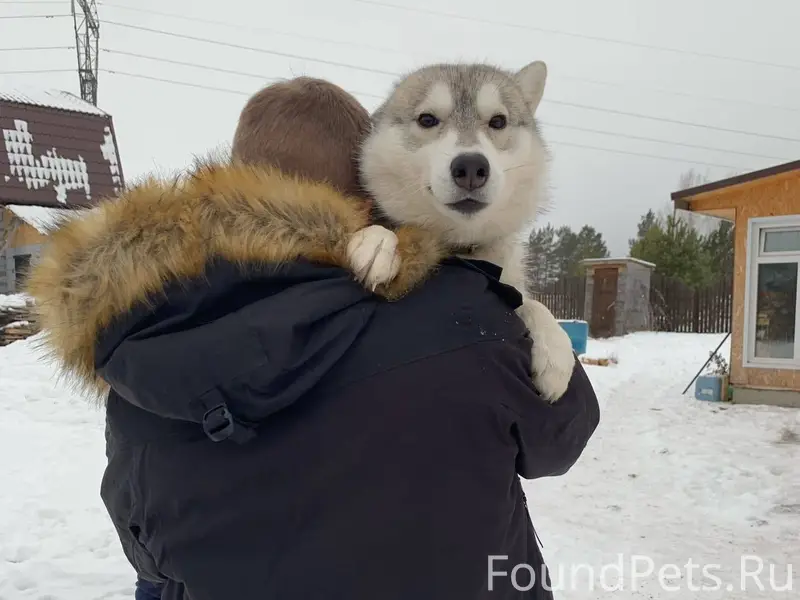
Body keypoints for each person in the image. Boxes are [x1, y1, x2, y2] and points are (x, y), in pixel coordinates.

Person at [26, 77, 600, 600]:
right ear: (362, 184)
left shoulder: (143, 324)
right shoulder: (468, 314)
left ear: (233, 173)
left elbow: (142, 539)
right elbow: (560, 438)